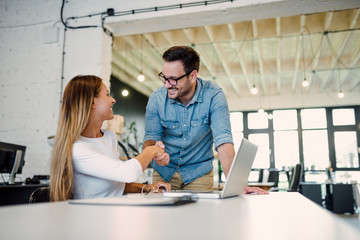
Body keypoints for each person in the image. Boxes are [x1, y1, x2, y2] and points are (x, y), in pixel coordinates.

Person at [143, 46, 267, 194]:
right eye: (164, 77)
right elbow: (150, 138)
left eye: (173, 79)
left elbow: (223, 140)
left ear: (193, 75)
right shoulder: (156, 99)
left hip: (198, 174)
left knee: (200, 216)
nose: (167, 84)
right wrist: (154, 150)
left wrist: (237, 184)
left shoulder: (214, 96)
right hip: (164, 173)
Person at [50, 75, 170, 202]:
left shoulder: (109, 137)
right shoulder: (77, 148)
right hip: (89, 216)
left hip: (112, 211)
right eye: (107, 95)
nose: (113, 100)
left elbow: (116, 182)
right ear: (92, 102)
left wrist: (146, 187)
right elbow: (127, 173)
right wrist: (152, 150)